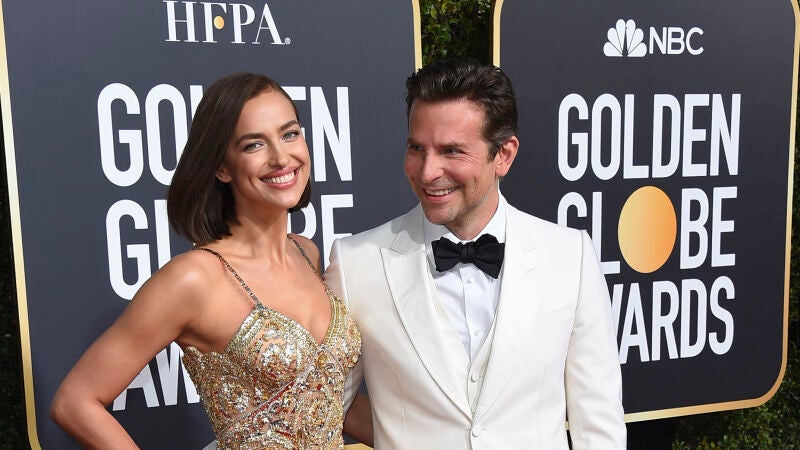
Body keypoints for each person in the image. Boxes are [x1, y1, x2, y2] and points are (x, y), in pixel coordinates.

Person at [51, 72, 369, 449]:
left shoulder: (306, 252)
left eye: (290, 134)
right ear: (221, 167)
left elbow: (327, 401)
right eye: (254, 145)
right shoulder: (195, 278)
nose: (281, 157)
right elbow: (75, 402)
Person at [325, 59, 626, 449]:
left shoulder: (571, 256)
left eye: (452, 151)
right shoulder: (355, 264)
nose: (427, 171)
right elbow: (325, 409)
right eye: (417, 148)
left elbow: (599, 423)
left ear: (504, 155)